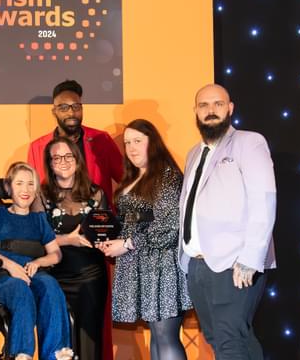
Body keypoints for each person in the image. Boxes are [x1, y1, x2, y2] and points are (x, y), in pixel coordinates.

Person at [178, 84, 276, 360]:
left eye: (218, 104)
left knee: (230, 341)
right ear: (195, 112)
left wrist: (250, 257)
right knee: (221, 339)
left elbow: (264, 200)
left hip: (235, 263)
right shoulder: (193, 154)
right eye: (204, 106)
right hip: (197, 264)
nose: (211, 111)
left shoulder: (249, 142)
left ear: (230, 108)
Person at [100, 119, 192, 360]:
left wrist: (128, 244)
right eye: (128, 142)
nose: (131, 147)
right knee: (156, 335)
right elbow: (128, 223)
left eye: (138, 141)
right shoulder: (131, 179)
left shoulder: (167, 176)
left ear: (153, 142)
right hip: (140, 266)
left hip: (162, 267)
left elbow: (169, 227)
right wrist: (110, 240)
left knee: (165, 336)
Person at [0, 162, 73, 360]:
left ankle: (56, 353)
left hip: (32, 272)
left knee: (50, 285)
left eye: (30, 184)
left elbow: (56, 253)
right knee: (20, 288)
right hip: (1, 275)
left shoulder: (39, 219)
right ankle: (22, 354)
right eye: (19, 183)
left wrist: (39, 262)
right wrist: (10, 266)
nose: (25, 190)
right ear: (8, 187)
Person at [32, 136, 108, 360]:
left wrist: (106, 240)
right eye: (56, 157)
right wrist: (68, 239)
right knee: (58, 339)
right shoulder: (41, 195)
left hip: (91, 277)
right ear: (49, 163)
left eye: (68, 156)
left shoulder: (96, 193)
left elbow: (102, 233)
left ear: (77, 159)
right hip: (55, 277)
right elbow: (38, 239)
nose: (63, 161)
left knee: (90, 337)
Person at [27, 79, 123, 208]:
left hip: (97, 222)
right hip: (52, 224)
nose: (71, 113)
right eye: (64, 107)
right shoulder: (37, 147)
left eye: (76, 107)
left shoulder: (101, 139)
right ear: (54, 111)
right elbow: (32, 192)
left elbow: (126, 179)